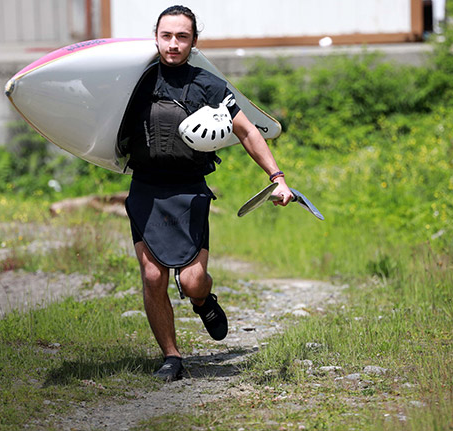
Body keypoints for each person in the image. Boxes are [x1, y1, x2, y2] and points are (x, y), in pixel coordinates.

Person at [121, 5, 293, 382]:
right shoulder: (135, 81)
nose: (173, 44)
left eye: (182, 36)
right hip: (146, 189)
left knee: (192, 280)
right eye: (166, 35)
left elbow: (247, 131)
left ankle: (203, 300)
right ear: (156, 36)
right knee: (153, 276)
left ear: (194, 41)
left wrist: (277, 177)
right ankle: (172, 357)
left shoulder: (209, 85)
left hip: (190, 190)